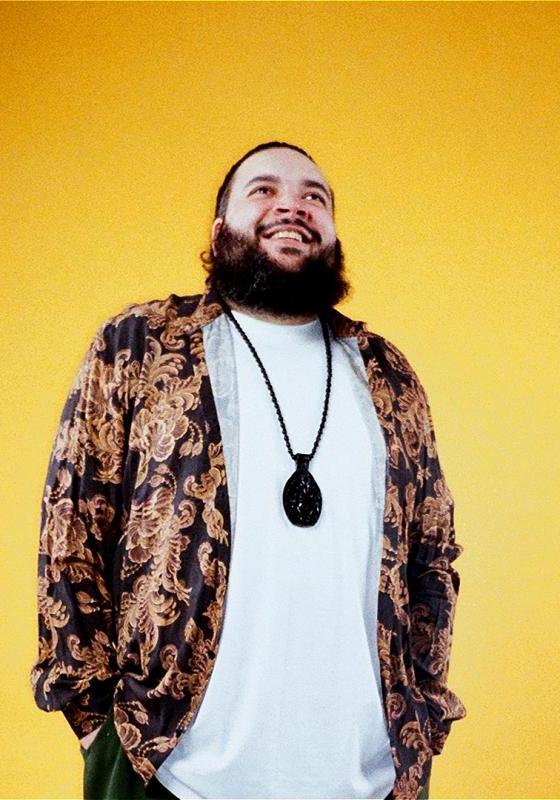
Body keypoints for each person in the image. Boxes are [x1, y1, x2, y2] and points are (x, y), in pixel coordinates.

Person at [31, 141, 467, 800]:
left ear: (332, 232)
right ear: (218, 232)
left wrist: (425, 712)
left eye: (315, 196)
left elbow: (432, 552)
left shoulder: (386, 373)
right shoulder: (139, 346)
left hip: (369, 779)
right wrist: (94, 721)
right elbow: (72, 528)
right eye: (264, 190)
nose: (293, 204)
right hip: (170, 772)